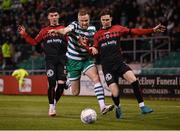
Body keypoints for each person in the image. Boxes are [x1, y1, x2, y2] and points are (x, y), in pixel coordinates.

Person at [82, 8, 166, 119]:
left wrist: (152, 30)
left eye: (107, 19)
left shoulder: (118, 28)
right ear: (101, 20)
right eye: (103, 20)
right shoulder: (97, 35)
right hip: (108, 68)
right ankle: (118, 107)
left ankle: (142, 107)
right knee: (115, 92)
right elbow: (95, 51)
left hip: (119, 63)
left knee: (134, 80)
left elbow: (134, 31)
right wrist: (89, 48)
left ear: (111, 19)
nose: (105, 21)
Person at [49, 8, 114, 115]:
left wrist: (94, 47)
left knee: (96, 78)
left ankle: (103, 106)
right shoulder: (74, 25)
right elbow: (65, 30)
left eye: (86, 21)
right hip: (73, 61)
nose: (84, 23)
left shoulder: (93, 29)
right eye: (82, 21)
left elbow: (95, 43)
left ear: (89, 20)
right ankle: (68, 83)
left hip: (86, 60)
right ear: (78, 20)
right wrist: (57, 30)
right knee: (75, 93)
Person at [18, 7, 67, 117]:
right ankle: (51, 107)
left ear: (58, 16)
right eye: (52, 15)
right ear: (49, 17)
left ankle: (53, 103)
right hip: (50, 60)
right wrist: (25, 35)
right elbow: (35, 42)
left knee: (61, 85)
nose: (54, 17)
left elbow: (71, 43)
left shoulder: (64, 29)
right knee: (52, 83)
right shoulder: (44, 31)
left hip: (62, 60)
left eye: (55, 15)